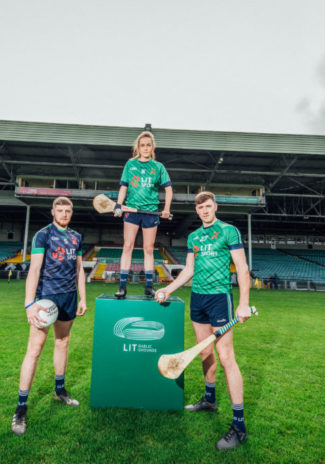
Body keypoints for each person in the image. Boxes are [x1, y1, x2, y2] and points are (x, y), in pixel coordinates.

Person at [155, 191, 254, 450]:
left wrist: (243, 303)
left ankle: (239, 425)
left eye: (209, 207)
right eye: (201, 208)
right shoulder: (193, 237)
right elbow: (188, 270)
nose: (206, 211)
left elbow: (242, 268)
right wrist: (168, 290)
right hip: (197, 299)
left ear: (215, 207)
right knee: (204, 352)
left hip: (219, 298)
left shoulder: (228, 231)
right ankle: (209, 400)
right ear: (197, 211)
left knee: (226, 358)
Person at [11, 196, 87, 435]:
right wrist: (29, 303)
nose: (64, 214)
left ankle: (60, 390)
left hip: (68, 298)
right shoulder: (42, 235)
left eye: (68, 211)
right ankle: (21, 407)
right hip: (46, 299)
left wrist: (83, 297)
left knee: (63, 342)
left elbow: (79, 269)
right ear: (53, 212)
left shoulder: (76, 237)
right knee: (34, 350)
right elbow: (34, 269)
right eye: (60, 210)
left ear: (72, 213)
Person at [113, 130, 172, 299]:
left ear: (152, 147)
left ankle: (148, 286)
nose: (145, 148)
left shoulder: (158, 167)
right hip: (131, 210)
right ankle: (122, 286)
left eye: (148, 145)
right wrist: (118, 204)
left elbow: (168, 189)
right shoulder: (130, 165)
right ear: (138, 147)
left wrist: (166, 208)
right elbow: (124, 187)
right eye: (142, 145)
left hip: (150, 212)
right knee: (127, 246)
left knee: (148, 249)